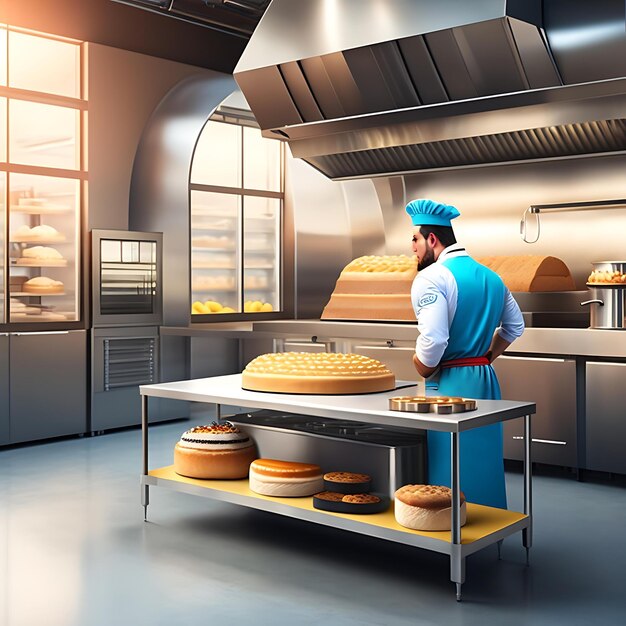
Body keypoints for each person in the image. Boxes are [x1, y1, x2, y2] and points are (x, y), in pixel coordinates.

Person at [406, 198, 524, 509]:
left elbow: (434, 339)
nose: (413, 248)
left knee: (450, 461)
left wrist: (421, 366)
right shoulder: (492, 278)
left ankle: (449, 532)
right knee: (483, 457)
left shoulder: (432, 277)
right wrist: (485, 358)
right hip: (485, 379)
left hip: (450, 385)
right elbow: (515, 327)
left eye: (415, 240)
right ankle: (491, 526)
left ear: (432, 239)